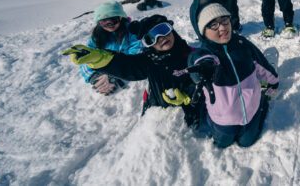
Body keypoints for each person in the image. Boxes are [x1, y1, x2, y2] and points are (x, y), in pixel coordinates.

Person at [63, 15, 204, 129]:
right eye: (152, 38)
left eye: (163, 30)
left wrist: (190, 93)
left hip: (194, 110)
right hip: (160, 115)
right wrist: (98, 58)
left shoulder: (191, 54)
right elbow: (126, 65)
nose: (161, 38)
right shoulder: (149, 61)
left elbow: (206, 75)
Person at [186, 0, 279, 148]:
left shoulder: (242, 45)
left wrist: (273, 82)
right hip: (222, 119)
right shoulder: (205, 54)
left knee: (246, 142)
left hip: (251, 110)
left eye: (224, 20)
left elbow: (262, 65)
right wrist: (203, 67)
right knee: (222, 143)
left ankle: (263, 100)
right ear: (203, 31)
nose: (222, 27)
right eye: (213, 25)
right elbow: (196, 61)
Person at [79, 1, 143, 95]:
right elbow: (88, 57)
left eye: (113, 20)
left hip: (124, 70)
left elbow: (136, 52)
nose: (110, 25)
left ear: (121, 18)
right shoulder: (96, 37)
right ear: (99, 23)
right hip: (105, 71)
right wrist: (94, 76)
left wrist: (116, 73)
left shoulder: (131, 32)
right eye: (104, 22)